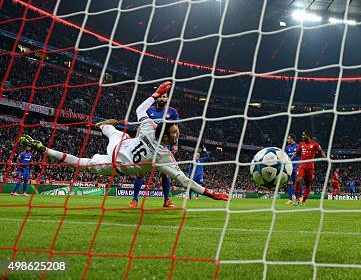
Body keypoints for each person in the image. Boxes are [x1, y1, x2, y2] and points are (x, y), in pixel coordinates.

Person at [17, 82, 228, 202]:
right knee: (81, 162)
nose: (178, 132)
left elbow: (139, 110)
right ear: (166, 136)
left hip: (120, 143)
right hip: (115, 165)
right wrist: (211, 194)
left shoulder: (149, 127)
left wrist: (156, 94)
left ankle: (96, 128)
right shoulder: (164, 156)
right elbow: (184, 181)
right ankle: (46, 149)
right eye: (175, 131)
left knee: (109, 130)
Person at [131, 89, 180, 208]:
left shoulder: (172, 112)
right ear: (156, 98)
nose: (162, 99)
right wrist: (136, 139)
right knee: (140, 173)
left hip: (163, 147)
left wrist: (175, 143)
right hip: (147, 145)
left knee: (166, 174)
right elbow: (141, 126)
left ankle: (166, 200)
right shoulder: (148, 110)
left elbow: (176, 129)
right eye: (161, 96)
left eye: (164, 97)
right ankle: (135, 200)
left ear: (167, 99)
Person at [291, 131, 326, 206]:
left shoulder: (315, 144)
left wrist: (324, 157)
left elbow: (321, 151)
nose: (302, 137)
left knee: (308, 185)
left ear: (308, 136)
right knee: (298, 180)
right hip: (302, 166)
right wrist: (291, 159)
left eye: (303, 135)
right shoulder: (301, 144)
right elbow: (297, 153)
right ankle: (297, 199)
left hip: (310, 167)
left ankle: (303, 201)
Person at [284, 135, 300, 204]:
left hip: (297, 167)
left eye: (288, 138)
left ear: (292, 139)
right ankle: (290, 199)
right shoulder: (287, 148)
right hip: (289, 168)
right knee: (289, 183)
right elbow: (284, 157)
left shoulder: (298, 146)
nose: (287, 140)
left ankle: (299, 198)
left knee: (298, 182)